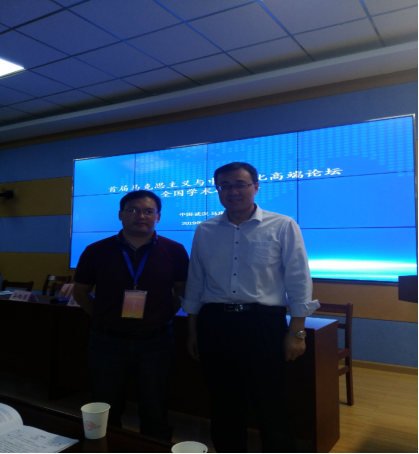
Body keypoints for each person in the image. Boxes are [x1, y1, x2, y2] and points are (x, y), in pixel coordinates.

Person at [183, 162, 320, 453]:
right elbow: (195, 281)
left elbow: (298, 279)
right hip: (215, 324)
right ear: (217, 190)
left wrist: (296, 332)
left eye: (240, 184)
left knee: (271, 402)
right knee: (223, 402)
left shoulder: (282, 225)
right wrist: (193, 331)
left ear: (256, 187)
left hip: (263, 324)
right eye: (225, 186)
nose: (232, 191)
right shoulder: (205, 230)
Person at [73, 190, 189, 440]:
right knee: (105, 408)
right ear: (120, 214)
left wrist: (162, 316)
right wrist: (102, 317)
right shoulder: (96, 250)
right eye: (133, 210)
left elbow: (181, 291)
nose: (141, 216)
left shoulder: (175, 250)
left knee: (155, 410)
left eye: (148, 211)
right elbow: (80, 292)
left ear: (158, 217)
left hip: (156, 343)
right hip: (107, 342)